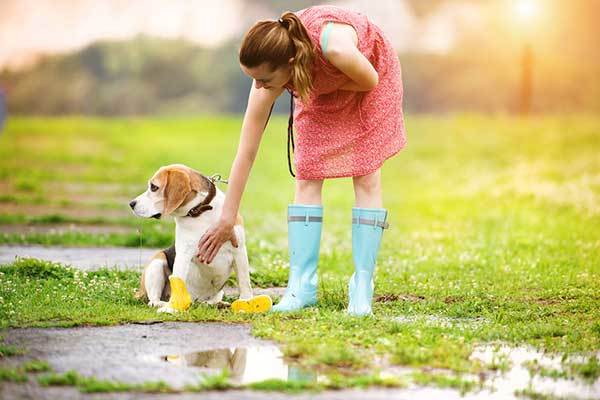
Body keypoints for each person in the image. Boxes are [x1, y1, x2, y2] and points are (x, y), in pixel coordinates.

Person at [197, 4, 406, 316]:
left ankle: (362, 287)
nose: (259, 87)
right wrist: (227, 218)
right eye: (253, 79)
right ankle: (301, 287)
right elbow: (247, 150)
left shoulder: (334, 46)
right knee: (307, 174)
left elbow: (369, 80)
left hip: (365, 75)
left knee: (366, 176)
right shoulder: (274, 77)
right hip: (312, 84)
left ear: (289, 63)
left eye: (264, 79)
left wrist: (319, 86)